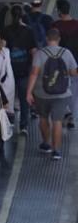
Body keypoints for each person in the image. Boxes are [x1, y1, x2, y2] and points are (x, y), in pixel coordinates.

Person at [26, 29, 78, 160]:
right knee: (58, 121)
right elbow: (73, 72)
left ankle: (46, 144)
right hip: (62, 94)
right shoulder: (67, 53)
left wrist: (28, 92)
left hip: (41, 93)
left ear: (47, 39)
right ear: (59, 39)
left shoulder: (40, 54)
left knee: (43, 118)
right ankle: (56, 151)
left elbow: (34, 73)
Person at [3, 6, 38, 135]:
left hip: (9, 71)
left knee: (8, 98)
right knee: (24, 99)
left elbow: (2, 49)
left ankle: (9, 123)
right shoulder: (29, 31)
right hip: (24, 70)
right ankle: (23, 126)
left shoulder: (6, 31)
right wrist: (34, 70)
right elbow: (34, 52)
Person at [52, 0, 78, 129]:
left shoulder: (55, 25)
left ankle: (64, 113)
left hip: (58, 64)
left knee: (59, 91)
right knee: (73, 91)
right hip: (75, 65)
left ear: (60, 11)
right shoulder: (77, 25)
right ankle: (71, 117)